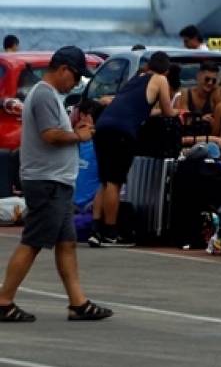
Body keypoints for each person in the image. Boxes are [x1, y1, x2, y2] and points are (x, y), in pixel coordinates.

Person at [0, 46, 113, 323]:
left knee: (67, 243)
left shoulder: (48, 96)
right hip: (46, 182)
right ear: (64, 70)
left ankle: (78, 303)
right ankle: (3, 301)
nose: (75, 83)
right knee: (33, 242)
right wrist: (79, 135)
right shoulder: (44, 95)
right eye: (75, 77)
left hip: (56, 182)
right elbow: (50, 135)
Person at [90, 52, 177, 248]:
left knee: (105, 181)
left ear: (148, 66)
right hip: (122, 131)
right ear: (167, 70)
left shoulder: (136, 79)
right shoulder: (160, 79)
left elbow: (136, 106)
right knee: (115, 182)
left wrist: (151, 112)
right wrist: (177, 112)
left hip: (103, 126)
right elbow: (167, 111)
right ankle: (111, 233)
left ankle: (96, 229)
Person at [174, 62, 219, 132]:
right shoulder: (186, 93)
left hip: (209, 138)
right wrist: (201, 119)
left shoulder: (215, 94)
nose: (210, 83)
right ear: (198, 76)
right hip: (189, 136)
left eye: (214, 81)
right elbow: (185, 120)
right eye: (207, 79)